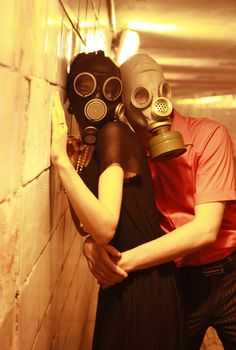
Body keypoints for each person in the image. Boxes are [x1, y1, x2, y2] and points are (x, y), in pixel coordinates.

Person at [83, 53, 236, 350]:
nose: (155, 103)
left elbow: (205, 230)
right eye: (140, 95)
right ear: (124, 103)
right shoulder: (126, 155)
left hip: (230, 275)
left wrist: (120, 265)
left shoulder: (210, 136)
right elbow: (110, 215)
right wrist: (91, 241)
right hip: (175, 278)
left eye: (161, 91)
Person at [51, 51, 186, 350]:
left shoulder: (114, 134)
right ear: (71, 96)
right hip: (123, 282)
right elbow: (86, 224)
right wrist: (74, 167)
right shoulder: (96, 144)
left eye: (109, 89)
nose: (97, 98)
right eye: (86, 88)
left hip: (144, 286)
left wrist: (60, 163)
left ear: (120, 97)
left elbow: (104, 229)